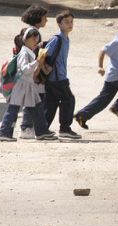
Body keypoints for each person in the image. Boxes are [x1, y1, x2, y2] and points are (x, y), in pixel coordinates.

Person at [0, 27, 58, 142]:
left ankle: (41, 132)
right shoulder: (24, 53)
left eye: (37, 37)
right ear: (25, 40)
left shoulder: (28, 52)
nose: (36, 39)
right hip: (21, 86)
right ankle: (4, 132)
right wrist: (37, 62)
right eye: (33, 37)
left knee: (37, 107)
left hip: (28, 85)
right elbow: (24, 69)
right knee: (13, 109)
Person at [43, 11, 82, 140]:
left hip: (59, 77)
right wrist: (45, 70)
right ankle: (65, 128)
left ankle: (42, 129)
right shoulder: (57, 39)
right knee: (69, 100)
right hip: (56, 78)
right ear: (59, 24)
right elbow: (43, 55)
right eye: (66, 22)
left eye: (71, 22)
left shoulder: (66, 39)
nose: (70, 24)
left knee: (51, 103)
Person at [19, 4, 51, 140]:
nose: (47, 20)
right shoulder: (34, 33)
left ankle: (33, 128)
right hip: (33, 72)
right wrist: (38, 72)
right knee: (33, 100)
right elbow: (34, 53)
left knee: (35, 100)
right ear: (38, 18)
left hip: (31, 71)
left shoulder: (29, 30)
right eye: (45, 17)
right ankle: (26, 128)